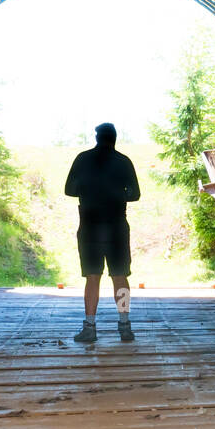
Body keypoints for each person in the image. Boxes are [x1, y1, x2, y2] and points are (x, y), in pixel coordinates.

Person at [64, 123, 141, 342]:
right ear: (114, 138)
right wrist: (116, 194)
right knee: (120, 276)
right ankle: (125, 326)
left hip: (89, 226)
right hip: (117, 225)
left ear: (97, 138)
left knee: (92, 277)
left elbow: (69, 190)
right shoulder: (124, 161)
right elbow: (135, 194)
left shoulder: (82, 159)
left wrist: (90, 190)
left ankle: (90, 327)